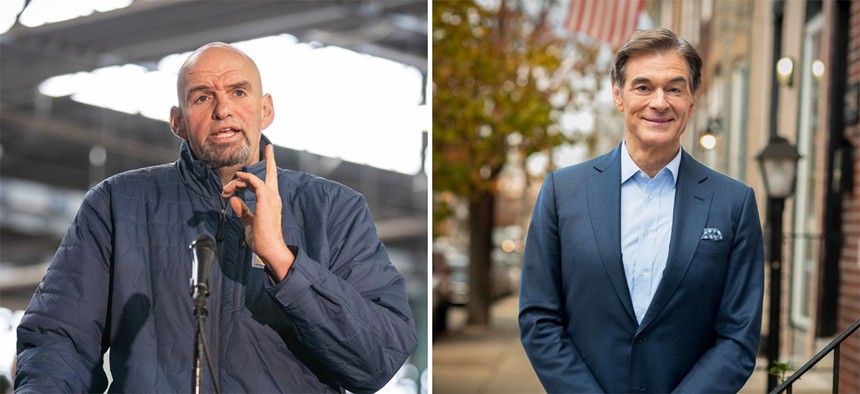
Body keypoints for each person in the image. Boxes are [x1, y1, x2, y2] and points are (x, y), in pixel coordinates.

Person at [15, 42, 417, 393]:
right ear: (177, 121)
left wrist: (283, 260)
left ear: (266, 109)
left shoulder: (334, 209)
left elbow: (376, 363)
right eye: (202, 97)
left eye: (238, 92)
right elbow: (58, 342)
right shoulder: (117, 204)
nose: (223, 109)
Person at [518, 28, 764, 393]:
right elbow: (539, 318)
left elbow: (738, 336)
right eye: (643, 86)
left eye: (675, 88)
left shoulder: (734, 203)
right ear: (619, 95)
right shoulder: (562, 193)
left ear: (692, 101)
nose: (660, 102)